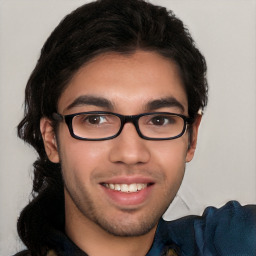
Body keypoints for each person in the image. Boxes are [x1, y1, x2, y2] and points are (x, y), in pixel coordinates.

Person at [15, 0, 256, 255]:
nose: (130, 154)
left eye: (159, 120)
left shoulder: (235, 242)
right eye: (95, 119)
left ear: (192, 137)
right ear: (51, 139)